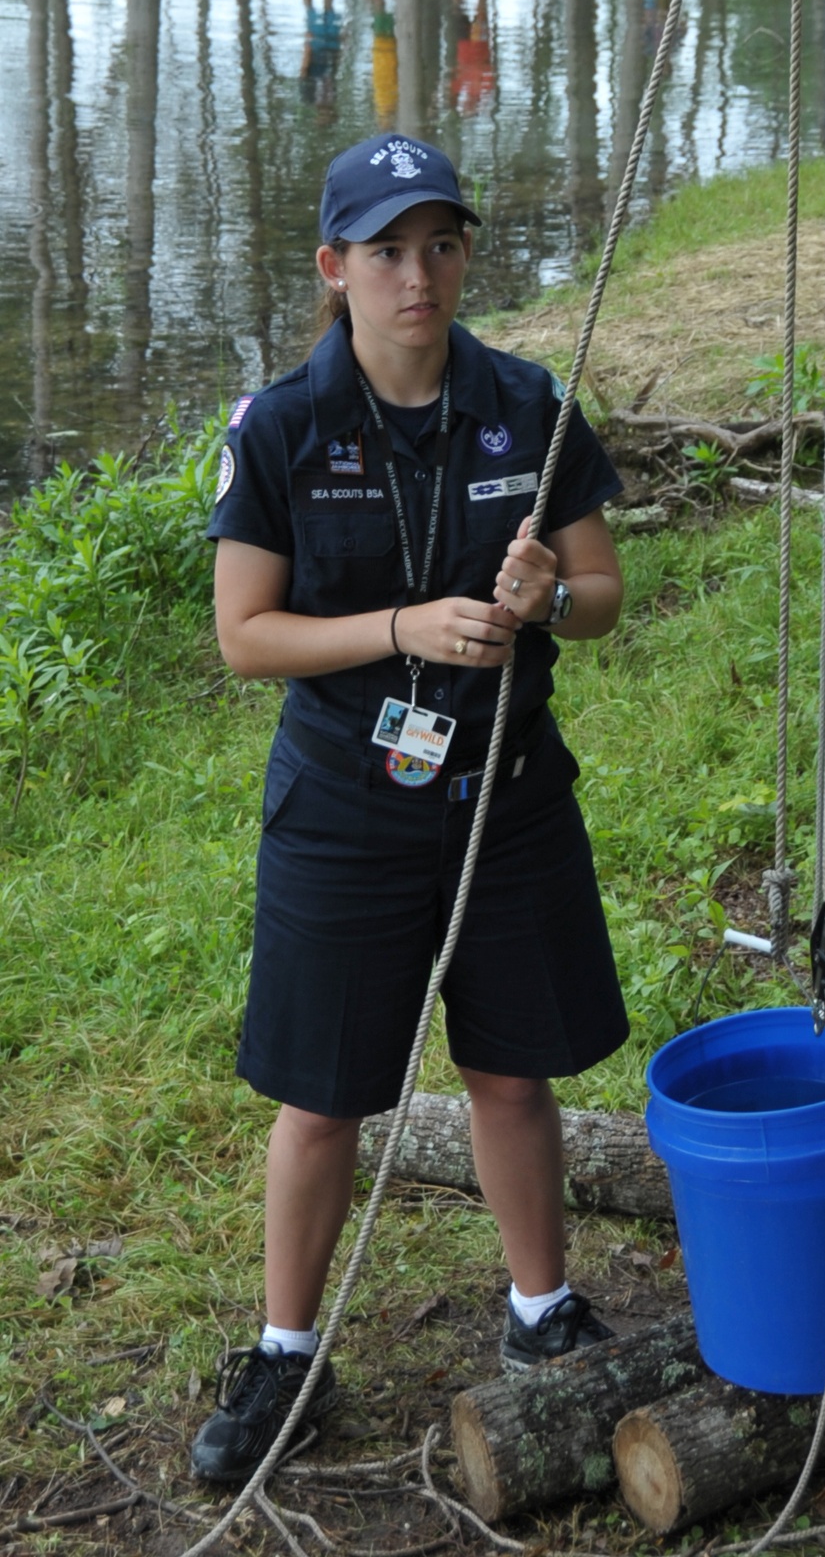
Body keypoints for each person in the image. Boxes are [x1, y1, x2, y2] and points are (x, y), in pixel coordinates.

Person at [191, 133, 630, 1484]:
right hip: (347, 808)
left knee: (513, 1069)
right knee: (321, 1098)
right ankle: (285, 1354)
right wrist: (405, 626)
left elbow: (604, 597)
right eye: (385, 251)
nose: (417, 276)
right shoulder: (281, 429)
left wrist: (545, 596)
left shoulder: (529, 405)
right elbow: (246, 637)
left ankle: (541, 1315)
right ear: (336, 268)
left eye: (439, 245)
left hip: (505, 798)